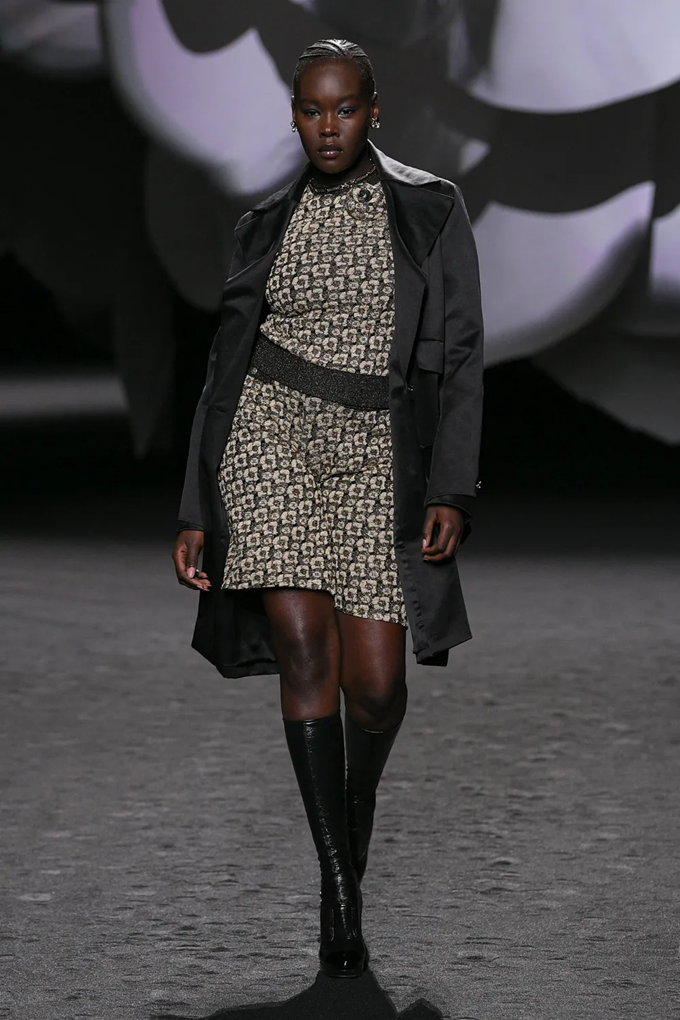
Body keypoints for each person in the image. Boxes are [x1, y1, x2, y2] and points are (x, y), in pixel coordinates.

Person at [172, 38, 483, 979]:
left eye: (345, 108)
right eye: (312, 110)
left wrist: (450, 486)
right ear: (295, 116)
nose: (328, 126)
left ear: (373, 111)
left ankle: (351, 819)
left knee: (377, 686)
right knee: (305, 650)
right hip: (271, 435)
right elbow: (224, 370)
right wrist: (196, 506)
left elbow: (460, 354)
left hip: (377, 453)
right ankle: (340, 889)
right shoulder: (264, 223)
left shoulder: (429, 207)